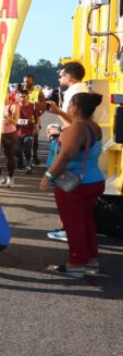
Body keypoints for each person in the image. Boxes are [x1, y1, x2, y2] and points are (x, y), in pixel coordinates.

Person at [40, 93, 105, 278]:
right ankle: (90, 260)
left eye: (69, 105)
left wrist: (47, 176)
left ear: (75, 107)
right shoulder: (92, 126)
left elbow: (66, 155)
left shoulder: (76, 129)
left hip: (75, 185)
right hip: (92, 180)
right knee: (85, 221)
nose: (67, 108)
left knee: (73, 224)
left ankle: (76, 263)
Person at [45, 61, 88, 242]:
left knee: (66, 190)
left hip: (72, 143)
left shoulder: (76, 92)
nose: (59, 78)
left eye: (61, 75)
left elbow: (74, 122)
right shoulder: (80, 90)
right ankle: (68, 228)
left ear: (69, 77)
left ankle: (68, 229)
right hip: (76, 141)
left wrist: (58, 127)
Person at [0, 94, 19, 188]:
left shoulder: (13, 106)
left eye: (4, 92)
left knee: (9, 157)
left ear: (8, 94)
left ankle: (10, 177)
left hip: (9, 134)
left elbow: (15, 122)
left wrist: (6, 117)